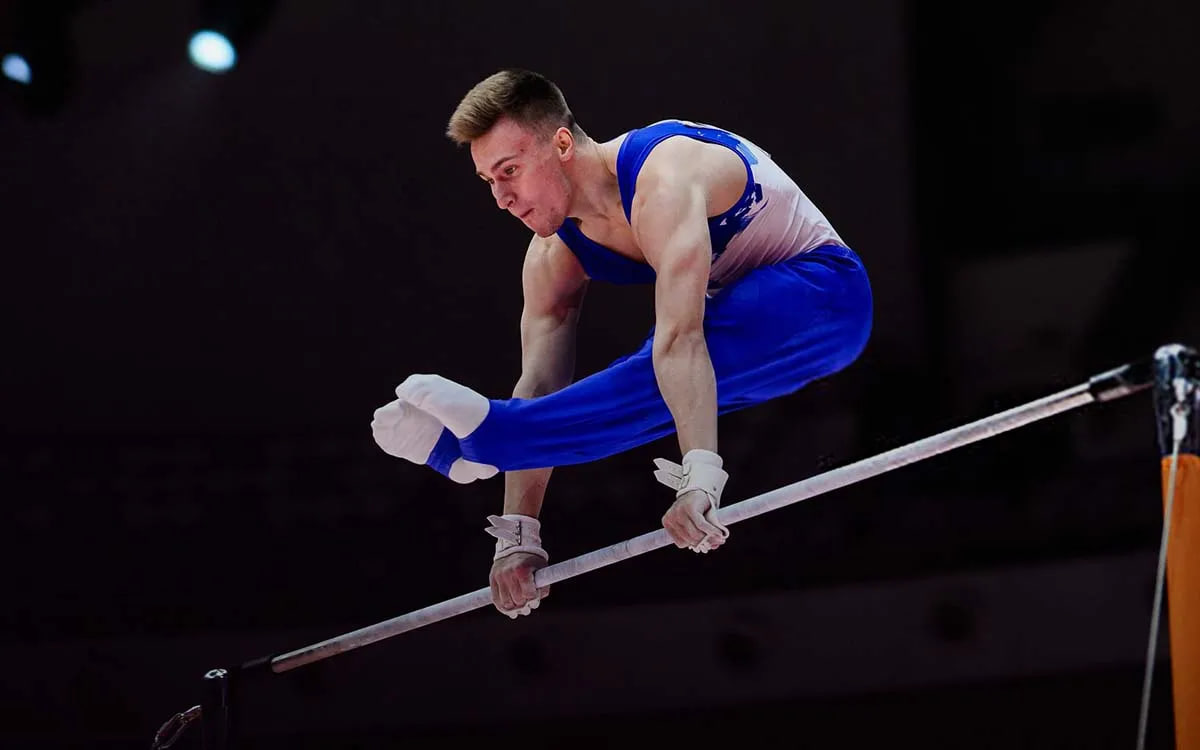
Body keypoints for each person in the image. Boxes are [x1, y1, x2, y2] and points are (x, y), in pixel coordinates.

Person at [371, 69, 872, 618]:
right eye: (488, 180)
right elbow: (540, 384)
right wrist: (517, 536)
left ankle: (489, 441)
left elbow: (681, 339)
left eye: (510, 170)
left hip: (827, 301)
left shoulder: (663, 176)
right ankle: (491, 441)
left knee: (665, 357)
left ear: (562, 144)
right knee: (662, 380)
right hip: (743, 342)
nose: (501, 198)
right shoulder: (552, 254)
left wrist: (701, 476)